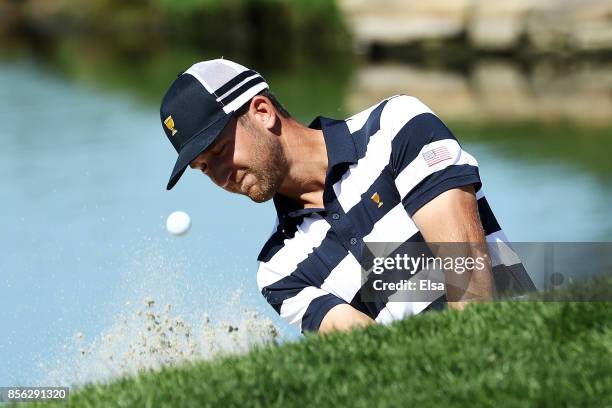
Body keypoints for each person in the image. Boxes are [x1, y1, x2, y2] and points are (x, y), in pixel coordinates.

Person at [159, 59, 535, 334]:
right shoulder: (278, 270)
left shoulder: (395, 127)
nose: (223, 177)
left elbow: (469, 277)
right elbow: (373, 357)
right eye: (206, 169)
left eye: (221, 151)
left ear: (262, 112)